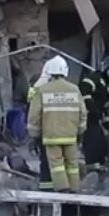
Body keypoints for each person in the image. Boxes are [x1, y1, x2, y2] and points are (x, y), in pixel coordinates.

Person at [27, 57, 88, 192]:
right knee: (72, 164)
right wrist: (80, 131)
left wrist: (35, 135)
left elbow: (34, 115)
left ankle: (62, 189)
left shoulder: (42, 90)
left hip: (51, 136)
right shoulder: (74, 89)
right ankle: (74, 188)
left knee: (56, 164)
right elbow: (83, 113)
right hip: (71, 136)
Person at [79, 55, 109, 176]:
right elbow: (84, 92)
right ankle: (92, 172)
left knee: (103, 144)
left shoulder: (106, 88)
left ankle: (102, 172)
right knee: (93, 143)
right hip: (86, 119)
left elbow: (104, 110)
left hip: (95, 120)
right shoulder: (94, 78)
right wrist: (92, 108)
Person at [27, 63, 54, 190]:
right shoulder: (45, 91)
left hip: (41, 127)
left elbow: (31, 112)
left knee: (45, 157)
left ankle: (46, 184)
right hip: (48, 127)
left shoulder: (34, 91)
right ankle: (50, 185)